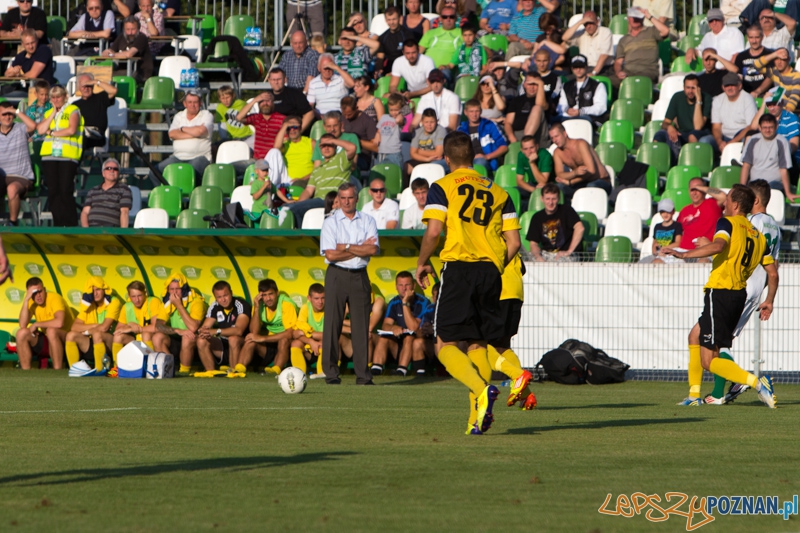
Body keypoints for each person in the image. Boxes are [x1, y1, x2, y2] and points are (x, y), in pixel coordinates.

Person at [416, 131, 521, 435]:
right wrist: (495, 264)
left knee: (444, 344)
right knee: (477, 342)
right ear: (474, 156)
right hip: (491, 271)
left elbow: (434, 231)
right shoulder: (501, 191)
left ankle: (482, 389)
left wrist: (422, 262)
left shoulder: (442, 187)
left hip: (459, 268)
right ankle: (475, 418)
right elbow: (513, 241)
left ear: (446, 159)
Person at [663, 184, 778, 409]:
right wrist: (769, 300)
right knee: (694, 336)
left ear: (735, 205)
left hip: (721, 292)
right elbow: (773, 273)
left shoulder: (727, 223)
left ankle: (755, 382)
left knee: (709, 361)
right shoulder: (758, 235)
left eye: (727, 201)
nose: (723, 204)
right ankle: (694, 395)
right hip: (739, 295)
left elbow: (718, 245)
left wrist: (682, 253)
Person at [705, 180, 781, 404]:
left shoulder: (750, 223)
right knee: (724, 340)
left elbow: (735, 245)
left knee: (716, 343)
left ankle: (726, 389)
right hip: (760, 285)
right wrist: (769, 297)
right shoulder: (774, 226)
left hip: (739, 282)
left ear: (754, 201)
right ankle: (724, 389)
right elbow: (773, 267)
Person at [320, 182, 380, 385]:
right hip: (336, 275)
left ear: (357, 198)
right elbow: (330, 254)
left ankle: (363, 375)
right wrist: (358, 247)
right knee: (332, 324)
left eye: (350, 198)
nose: (346, 202)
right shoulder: (330, 222)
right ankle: (330, 373)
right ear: (339, 198)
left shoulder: (368, 220)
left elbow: (372, 250)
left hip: (359, 275)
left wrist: (344, 247)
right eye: (343, 198)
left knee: (361, 327)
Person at [486, 253, 537, 415]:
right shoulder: (510, 235)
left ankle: (519, 375)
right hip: (515, 292)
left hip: (498, 293)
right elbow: (522, 268)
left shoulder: (489, 233)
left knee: (478, 345)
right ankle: (526, 395)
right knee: (502, 346)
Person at [36, 85, 84, 227]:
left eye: (58, 97)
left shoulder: (73, 110)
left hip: (67, 156)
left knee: (65, 190)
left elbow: (71, 129)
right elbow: (40, 130)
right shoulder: (49, 112)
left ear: (65, 97)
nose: (56, 100)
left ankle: (70, 224)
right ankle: (58, 223)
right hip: (49, 156)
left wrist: (52, 133)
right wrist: (52, 113)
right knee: (53, 192)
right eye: (53, 97)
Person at [289, 133, 356, 227]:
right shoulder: (317, 169)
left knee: (295, 209)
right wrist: (299, 203)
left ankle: (303, 237)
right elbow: (308, 191)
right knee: (288, 209)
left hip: (332, 200)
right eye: (323, 145)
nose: (326, 148)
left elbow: (352, 148)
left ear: (335, 146)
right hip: (319, 201)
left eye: (330, 145)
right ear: (320, 149)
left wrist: (333, 140)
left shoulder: (340, 160)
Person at [371, 271, 430, 376]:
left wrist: (405, 303)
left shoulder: (423, 302)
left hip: (417, 349)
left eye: (407, 285)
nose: (404, 288)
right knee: (384, 337)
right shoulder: (394, 302)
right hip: (398, 347)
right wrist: (393, 328)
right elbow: (385, 325)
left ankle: (401, 370)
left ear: (414, 286)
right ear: (396, 287)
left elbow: (414, 327)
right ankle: (376, 369)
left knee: (409, 337)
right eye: (400, 285)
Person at [152, 273, 207, 376]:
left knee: (187, 336)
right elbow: (158, 325)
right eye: (171, 289)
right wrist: (177, 331)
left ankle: (184, 371)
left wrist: (178, 305)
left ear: (184, 289)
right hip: (177, 337)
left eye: (178, 289)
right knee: (157, 337)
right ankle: (168, 368)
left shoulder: (196, 302)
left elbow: (193, 327)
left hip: (197, 340)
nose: (174, 292)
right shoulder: (167, 303)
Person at [65, 276, 122, 371]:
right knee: (70, 335)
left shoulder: (114, 302)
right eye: (93, 290)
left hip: (111, 341)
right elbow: (74, 327)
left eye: (98, 289)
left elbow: (104, 328)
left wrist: (88, 332)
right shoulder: (88, 304)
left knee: (97, 334)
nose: (95, 293)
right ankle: (75, 370)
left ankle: (99, 369)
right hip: (92, 342)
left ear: (104, 290)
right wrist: (95, 325)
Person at [16, 277, 73, 370]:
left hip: (67, 339)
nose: (38, 295)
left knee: (51, 331)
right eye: (34, 293)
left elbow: (59, 323)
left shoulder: (54, 298)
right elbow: (22, 325)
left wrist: (37, 324)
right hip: (48, 339)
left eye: (40, 291)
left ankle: (57, 370)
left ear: (44, 290)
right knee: (21, 333)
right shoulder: (31, 301)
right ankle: (26, 372)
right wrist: (26, 300)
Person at [155, 91, 212, 184]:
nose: (192, 105)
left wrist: (182, 129)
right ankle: (168, 194)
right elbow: (172, 134)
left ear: (200, 103)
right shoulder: (179, 116)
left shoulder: (206, 115)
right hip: (177, 157)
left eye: (195, 102)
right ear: (184, 104)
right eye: (190, 102)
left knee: (191, 171)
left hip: (200, 157)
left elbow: (201, 131)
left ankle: (193, 196)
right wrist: (195, 133)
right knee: (155, 171)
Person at [195, 281, 251, 376]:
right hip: (223, 345)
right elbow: (205, 327)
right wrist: (203, 331)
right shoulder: (215, 306)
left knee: (233, 339)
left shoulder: (241, 304)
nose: (223, 300)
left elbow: (239, 330)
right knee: (201, 339)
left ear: (231, 293)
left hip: (241, 345)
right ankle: (211, 372)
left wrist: (217, 331)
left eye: (225, 295)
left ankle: (234, 372)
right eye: (219, 297)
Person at [654, 74, 712, 162]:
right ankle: (659, 163)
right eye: (688, 88)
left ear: (698, 88)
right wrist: (670, 127)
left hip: (701, 133)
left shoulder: (706, 98)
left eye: (693, 88)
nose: (690, 91)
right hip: (682, 132)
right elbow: (665, 122)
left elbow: (698, 127)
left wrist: (698, 100)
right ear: (684, 88)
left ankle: (692, 162)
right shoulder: (677, 97)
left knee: (692, 135)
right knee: (659, 135)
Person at [739, 113, 795, 201]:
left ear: (776, 126)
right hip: (755, 183)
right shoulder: (753, 140)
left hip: (774, 184)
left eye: (770, 127)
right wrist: (741, 189)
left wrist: (788, 192)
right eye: (765, 127)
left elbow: (783, 170)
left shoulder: (782, 142)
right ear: (759, 127)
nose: (767, 130)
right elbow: (746, 166)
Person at [612, 6, 670, 86]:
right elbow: (618, 62)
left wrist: (649, 16)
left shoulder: (651, 32)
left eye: (637, 17)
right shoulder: (624, 40)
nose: (635, 20)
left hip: (648, 71)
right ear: (629, 19)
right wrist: (618, 72)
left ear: (643, 18)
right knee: (608, 82)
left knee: (637, 82)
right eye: (633, 17)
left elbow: (666, 31)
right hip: (628, 72)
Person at [526, 182, 584, 261]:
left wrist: (569, 251)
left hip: (566, 255)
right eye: (547, 199)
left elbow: (580, 228)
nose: (550, 202)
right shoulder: (537, 217)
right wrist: (538, 257)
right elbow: (533, 243)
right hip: (546, 254)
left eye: (553, 199)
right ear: (542, 199)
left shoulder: (567, 211)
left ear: (558, 198)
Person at [550, 122, 612, 196]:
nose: (554, 140)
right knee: (558, 188)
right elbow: (560, 175)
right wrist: (574, 173)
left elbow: (591, 170)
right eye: (552, 138)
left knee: (590, 188)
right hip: (581, 182)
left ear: (564, 134)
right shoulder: (557, 152)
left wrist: (571, 182)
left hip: (600, 180)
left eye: (556, 136)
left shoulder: (581, 144)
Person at [700, 72, 756, 152]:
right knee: (704, 141)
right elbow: (716, 127)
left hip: (741, 137)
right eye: (727, 85)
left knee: (748, 140)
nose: (729, 88)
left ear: (739, 86)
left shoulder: (748, 99)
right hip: (724, 137)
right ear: (723, 87)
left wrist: (731, 143)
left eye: (732, 85)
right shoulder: (717, 100)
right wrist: (719, 142)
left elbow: (750, 127)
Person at [0, 101, 36, 227]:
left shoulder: (20, 128)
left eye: (10, 114)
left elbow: (33, 126)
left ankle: (12, 223)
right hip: (2, 177)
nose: (7, 117)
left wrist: (16, 111)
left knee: (12, 189)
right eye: (4, 114)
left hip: (21, 177)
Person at [112, 280, 162, 362]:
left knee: (146, 334)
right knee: (117, 336)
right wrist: (130, 325)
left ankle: (150, 364)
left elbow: (156, 327)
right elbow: (117, 330)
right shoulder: (126, 307)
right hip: (135, 340)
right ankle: (117, 367)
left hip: (154, 339)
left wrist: (136, 329)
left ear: (145, 293)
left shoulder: (153, 302)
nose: (137, 300)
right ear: (129, 296)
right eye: (133, 296)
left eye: (139, 295)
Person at [457, 99, 508, 174]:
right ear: (465, 112)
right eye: (471, 111)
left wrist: (487, 157)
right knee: (440, 165)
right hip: (466, 161)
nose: (474, 114)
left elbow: (504, 147)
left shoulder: (489, 125)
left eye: (477, 111)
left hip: (486, 161)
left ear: (480, 111)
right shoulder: (461, 129)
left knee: (479, 163)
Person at [555, 54, 608, 126]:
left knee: (584, 120)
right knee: (554, 120)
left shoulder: (598, 85)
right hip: (569, 117)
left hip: (590, 118)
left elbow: (601, 107)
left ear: (586, 68)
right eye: (575, 67)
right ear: (572, 69)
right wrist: (567, 110)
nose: (578, 70)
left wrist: (581, 111)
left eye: (581, 67)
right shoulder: (566, 86)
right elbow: (561, 105)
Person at [235, 91, 286, 162]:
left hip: (274, 159)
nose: (265, 104)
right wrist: (254, 100)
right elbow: (239, 118)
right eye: (262, 101)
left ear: (273, 103)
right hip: (257, 159)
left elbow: (286, 140)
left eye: (268, 101)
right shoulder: (256, 118)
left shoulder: (282, 119)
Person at [80, 157, 132, 227]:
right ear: (103, 173)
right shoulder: (93, 191)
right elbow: (85, 212)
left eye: (115, 169)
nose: (112, 171)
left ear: (118, 173)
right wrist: (87, 231)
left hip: (111, 230)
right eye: (109, 168)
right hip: (92, 230)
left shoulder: (124, 190)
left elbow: (124, 212)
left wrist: (123, 234)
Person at [100, 16, 153, 84]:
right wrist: (106, 52)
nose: (130, 32)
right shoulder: (121, 37)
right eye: (127, 29)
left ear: (138, 29)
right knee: (102, 74)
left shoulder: (141, 38)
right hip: (123, 70)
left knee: (108, 77)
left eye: (133, 29)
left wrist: (112, 55)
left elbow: (129, 54)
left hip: (140, 72)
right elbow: (110, 50)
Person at [72, 73, 117, 152]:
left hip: (97, 135)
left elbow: (114, 91)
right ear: (79, 87)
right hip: (81, 133)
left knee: (81, 139)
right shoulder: (75, 105)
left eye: (89, 85)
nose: (86, 89)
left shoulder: (101, 98)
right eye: (83, 86)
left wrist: (96, 82)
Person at [676, 177, 724, 250]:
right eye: (692, 190)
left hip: (704, 250)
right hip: (683, 251)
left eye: (698, 190)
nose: (694, 193)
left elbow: (723, 197)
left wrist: (701, 187)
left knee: (703, 261)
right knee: (657, 261)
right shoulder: (684, 210)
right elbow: (677, 233)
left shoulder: (712, 204)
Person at [561, 11, 613, 76]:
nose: (588, 26)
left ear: (597, 22)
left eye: (591, 23)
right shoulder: (581, 33)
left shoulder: (605, 32)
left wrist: (594, 73)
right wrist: (580, 22)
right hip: (585, 69)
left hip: (603, 69)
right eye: (586, 24)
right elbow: (564, 38)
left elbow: (604, 56)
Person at [290, 283, 326, 376]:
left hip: (325, 346)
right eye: (316, 298)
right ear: (309, 298)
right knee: (295, 343)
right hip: (310, 347)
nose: (320, 302)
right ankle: (299, 374)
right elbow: (297, 333)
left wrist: (310, 335)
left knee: (325, 342)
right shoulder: (306, 308)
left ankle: (322, 372)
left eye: (323, 298)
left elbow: (329, 334)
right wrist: (311, 341)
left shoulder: (329, 309)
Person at [504, 72, 548, 145]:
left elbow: (540, 105)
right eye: (530, 84)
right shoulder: (516, 100)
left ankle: (526, 142)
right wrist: (512, 137)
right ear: (524, 84)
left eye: (535, 84)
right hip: (517, 135)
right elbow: (508, 122)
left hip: (537, 136)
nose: (532, 87)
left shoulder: (545, 98)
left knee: (537, 108)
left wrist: (540, 83)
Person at [266, 68, 315, 133]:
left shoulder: (295, 94)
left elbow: (310, 114)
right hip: (271, 133)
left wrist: (298, 132)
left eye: (279, 79)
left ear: (285, 79)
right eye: (273, 80)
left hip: (291, 132)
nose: (276, 82)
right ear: (269, 80)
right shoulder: (265, 96)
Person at [754, 47, 800, 113]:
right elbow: (756, 65)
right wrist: (774, 54)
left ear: (788, 59)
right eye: (776, 59)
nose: (779, 62)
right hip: (776, 109)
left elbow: (794, 97)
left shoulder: (796, 75)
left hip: (788, 112)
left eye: (782, 59)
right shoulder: (774, 71)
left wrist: (786, 113)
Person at [418, 5, 463, 71]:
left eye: (451, 17)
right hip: (427, 69)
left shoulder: (463, 34)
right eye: (445, 17)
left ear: (456, 18)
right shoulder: (430, 33)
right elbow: (418, 52)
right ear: (440, 19)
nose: (448, 19)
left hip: (448, 70)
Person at [734, 25, 773, 98]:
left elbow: (771, 77)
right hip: (745, 95)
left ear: (762, 37)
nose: (754, 41)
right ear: (747, 38)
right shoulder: (741, 56)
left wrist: (757, 91)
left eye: (757, 37)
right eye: (751, 37)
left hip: (765, 95)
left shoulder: (769, 55)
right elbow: (738, 77)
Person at [408, 108, 448, 180]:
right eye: (426, 122)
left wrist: (419, 151)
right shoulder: (417, 132)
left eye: (432, 122)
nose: (429, 125)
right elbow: (412, 154)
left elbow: (438, 153)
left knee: (433, 166)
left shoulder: (441, 130)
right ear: (422, 122)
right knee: (407, 166)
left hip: (437, 160)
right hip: (425, 159)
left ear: (437, 121)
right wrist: (426, 159)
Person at [341, 96, 378, 172]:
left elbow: (375, 147)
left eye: (349, 114)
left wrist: (356, 140)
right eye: (344, 114)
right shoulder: (341, 119)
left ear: (356, 108)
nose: (346, 117)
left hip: (362, 157)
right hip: (342, 153)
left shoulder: (367, 121)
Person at [275, 115, 314, 185]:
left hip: (307, 181)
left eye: (295, 127)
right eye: (289, 128)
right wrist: (285, 125)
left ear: (300, 128)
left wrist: (302, 179)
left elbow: (318, 167)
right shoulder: (285, 145)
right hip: (287, 181)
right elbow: (276, 148)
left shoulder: (311, 143)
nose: (292, 130)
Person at [515, 134, 553, 204]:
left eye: (531, 147)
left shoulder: (545, 155)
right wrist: (534, 190)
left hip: (549, 185)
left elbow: (543, 181)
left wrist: (532, 163)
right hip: (533, 185)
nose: (529, 151)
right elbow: (519, 181)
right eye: (525, 149)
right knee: (514, 192)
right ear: (522, 150)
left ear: (537, 146)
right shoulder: (521, 155)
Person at [376, 6, 408, 76]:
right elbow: (380, 58)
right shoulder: (383, 37)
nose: (392, 22)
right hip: (388, 69)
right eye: (389, 20)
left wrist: (395, 72)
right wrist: (379, 70)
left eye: (394, 19)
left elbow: (410, 55)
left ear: (400, 18)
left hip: (405, 68)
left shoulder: (407, 35)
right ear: (385, 20)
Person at [375, 93, 404, 168]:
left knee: (396, 171)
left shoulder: (401, 118)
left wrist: (401, 113)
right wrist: (377, 134)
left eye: (396, 110)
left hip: (394, 152)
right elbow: (379, 130)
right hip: (382, 151)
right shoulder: (384, 117)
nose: (394, 112)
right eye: (391, 110)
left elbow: (399, 120)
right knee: (382, 172)